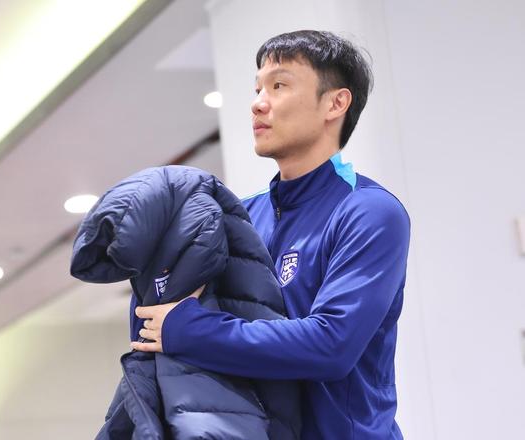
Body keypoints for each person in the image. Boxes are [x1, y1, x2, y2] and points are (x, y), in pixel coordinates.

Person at [130, 30, 410, 439]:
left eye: (279, 86)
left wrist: (188, 331)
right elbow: (158, 323)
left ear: (336, 103)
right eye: (258, 88)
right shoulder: (237, 216)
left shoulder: (369, 211)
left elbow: (331, 345)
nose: (258, 102)